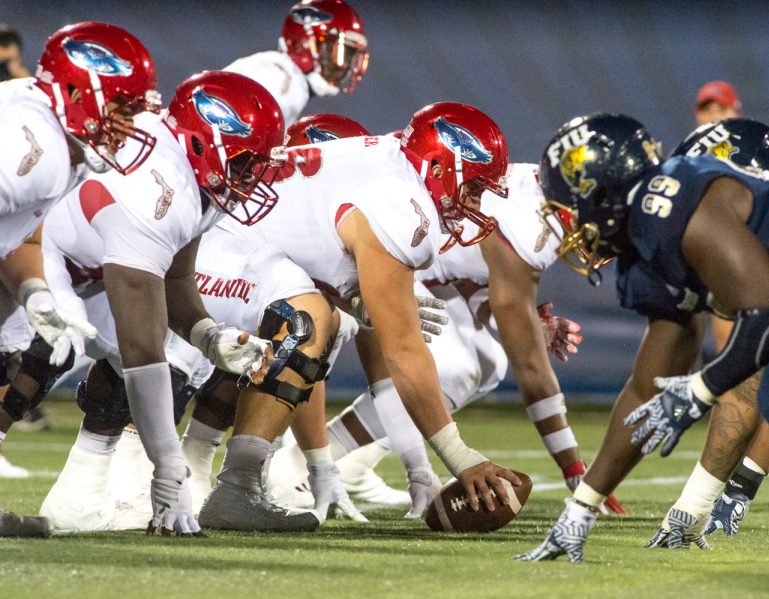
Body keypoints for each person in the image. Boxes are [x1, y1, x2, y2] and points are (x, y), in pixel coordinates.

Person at [520, 112, 769, 563]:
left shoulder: (673, 201)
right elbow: (646, 392)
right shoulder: (646, 256)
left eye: (569, 206)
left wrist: (700, 388)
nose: (568, 223)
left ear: (600, 192)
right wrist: (581, 507)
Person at [191, 102, 521, 531]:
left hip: (235, 248)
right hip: (214, 252)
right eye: (475, 188)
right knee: (307, 320)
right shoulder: (403, 205)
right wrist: (461, 457)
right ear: (441, 169)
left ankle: (243, 483)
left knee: (320, 320)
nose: (476, 203)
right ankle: (232, 488)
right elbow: (403, 351)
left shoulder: (393, 172)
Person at [281, 157, 627, 518]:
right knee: (455, 369)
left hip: (426, 268)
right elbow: (532, 371)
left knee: (488, 363)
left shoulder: (537, 198)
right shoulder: (530, 228)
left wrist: (526, 318)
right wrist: (573, 469)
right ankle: (300, 463)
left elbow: (474, 275)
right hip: (393, 255)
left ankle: (354, 464)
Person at [36, 70, 284, 535]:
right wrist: (168, 468)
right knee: (37, 350)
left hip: (81, 269)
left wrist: (210, 337)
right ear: (203, 141)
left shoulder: (195, 180)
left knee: (170, 348)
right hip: (32, 258)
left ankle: (76, 499)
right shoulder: (158, 191)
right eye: (247, 161)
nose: (253, 176)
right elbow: (142, 353)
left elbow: (175, 278)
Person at [0, 21, 161, 538]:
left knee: (17, 341)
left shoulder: (49, 129)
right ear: (75, 92)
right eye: (122, 106)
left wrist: (33, 292)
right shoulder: (37, 148)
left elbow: (19, 238)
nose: (130, 122)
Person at [224, 0, 368, 125]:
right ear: (303, 42)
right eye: (341, 52)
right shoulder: (282, 79)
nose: (344, 65)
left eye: (349, 56)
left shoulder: (273, 69)